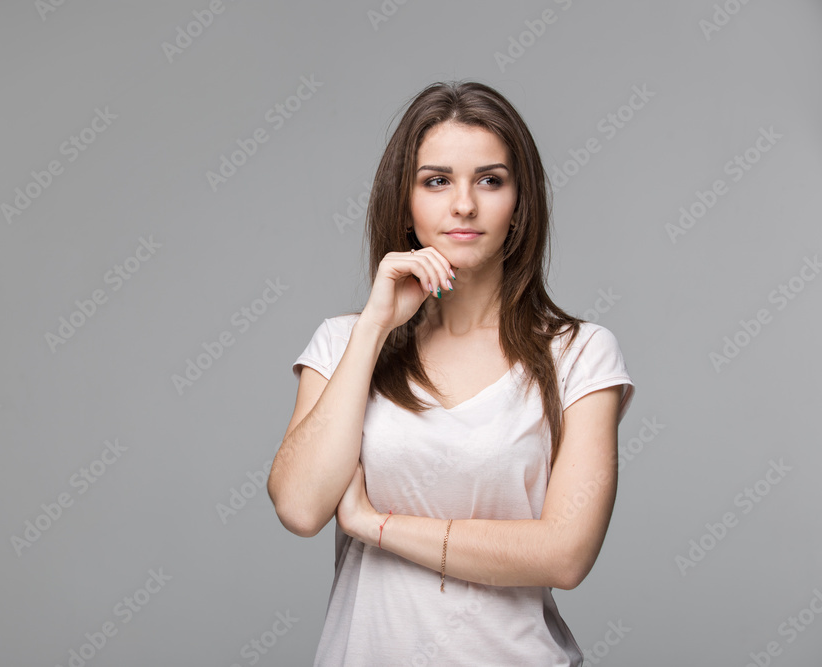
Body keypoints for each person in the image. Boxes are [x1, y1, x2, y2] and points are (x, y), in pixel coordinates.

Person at [267, 80, 636, 666]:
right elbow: (299, 506)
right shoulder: (344, 342)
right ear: (405, 202)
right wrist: (374, 325)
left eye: (490, 180)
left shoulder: (580, 354)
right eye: (436, 181)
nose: (463, 204)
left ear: (520, 204)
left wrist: (373, 523)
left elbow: (565, 554)